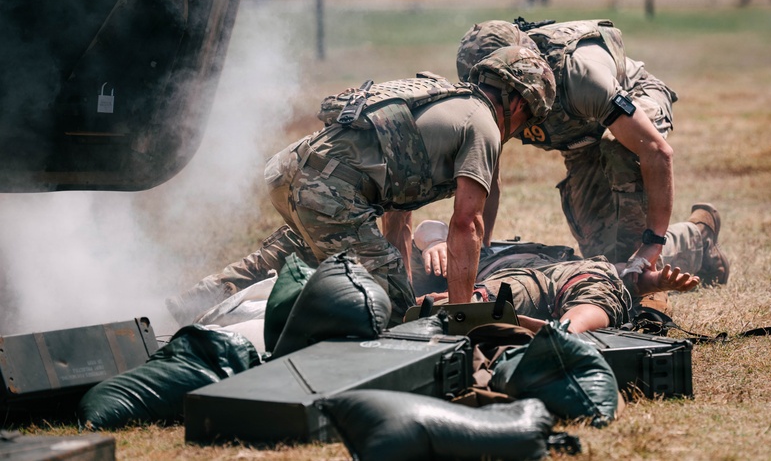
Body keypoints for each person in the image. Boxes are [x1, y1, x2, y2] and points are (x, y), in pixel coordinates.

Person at [166, 46, 557, 326]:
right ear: (520, 105)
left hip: (294, 171)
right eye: (526, 122)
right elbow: (466, 224)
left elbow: (396, 215)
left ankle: (201, 298)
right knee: (397, 311)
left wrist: (396, 267)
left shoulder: (445, 104)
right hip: (331, 189)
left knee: (300, 253)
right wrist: (462, 316)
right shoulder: (483, 124)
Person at [447, 19, 729, 298]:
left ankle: (681, 249)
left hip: (633, 100)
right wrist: (480, 251)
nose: (489, 95)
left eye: (497, 84)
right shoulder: (496, 96)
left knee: (632, 261)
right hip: (580, 136)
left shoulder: (580, 77)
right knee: (605, 259)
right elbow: (487, 178)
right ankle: (697, 238)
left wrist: (652, 243)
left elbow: (655, 151)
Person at [407, 219, 702, 334]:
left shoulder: (486, 249)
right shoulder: (469, 249)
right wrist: (435, 243)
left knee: (596, 287)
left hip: (567, 274)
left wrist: (654, 282)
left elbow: (622, 273)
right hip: (515, 279)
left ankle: (562, 334)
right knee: (502, 291)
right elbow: (427, 228)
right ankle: (562, 335)